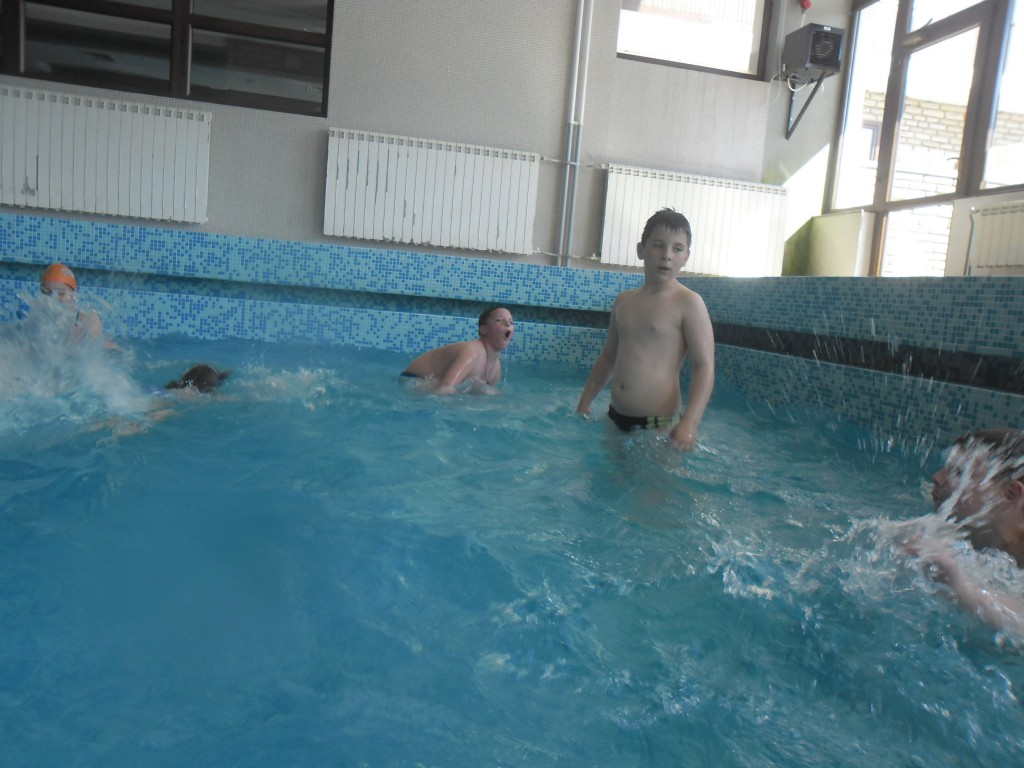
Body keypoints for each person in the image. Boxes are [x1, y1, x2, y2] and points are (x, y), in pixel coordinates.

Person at [575, 208, 715, 451]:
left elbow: (704, 366)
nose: (666, 255)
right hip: (614, 419)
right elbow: (609, 357)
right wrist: (585, 401)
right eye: (658, 245)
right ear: (641, 250)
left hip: (658, 427)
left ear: (686, 257)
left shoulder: (688, 303)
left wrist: (690, 423)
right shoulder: (624, 301)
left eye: (677, 249)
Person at [911, 428, 1024, 636]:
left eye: (959, 472)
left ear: (1010, 494)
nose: (937, 477)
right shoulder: (964, 541)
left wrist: (959, 585)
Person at [402, 306, 514, 394]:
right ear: (483, 329)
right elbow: (445, 388)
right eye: (499, 320)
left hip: (432, 383)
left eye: (511, 322)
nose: (507, 323)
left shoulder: (496, 369)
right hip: (413, 380)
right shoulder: (472, 352)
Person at [36, 262, 118, 350]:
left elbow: (101, 352)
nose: (54, 298)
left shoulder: (88, 321)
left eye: (61, 293)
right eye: (47, 293)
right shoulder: (38, 320)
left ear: (73, 294)